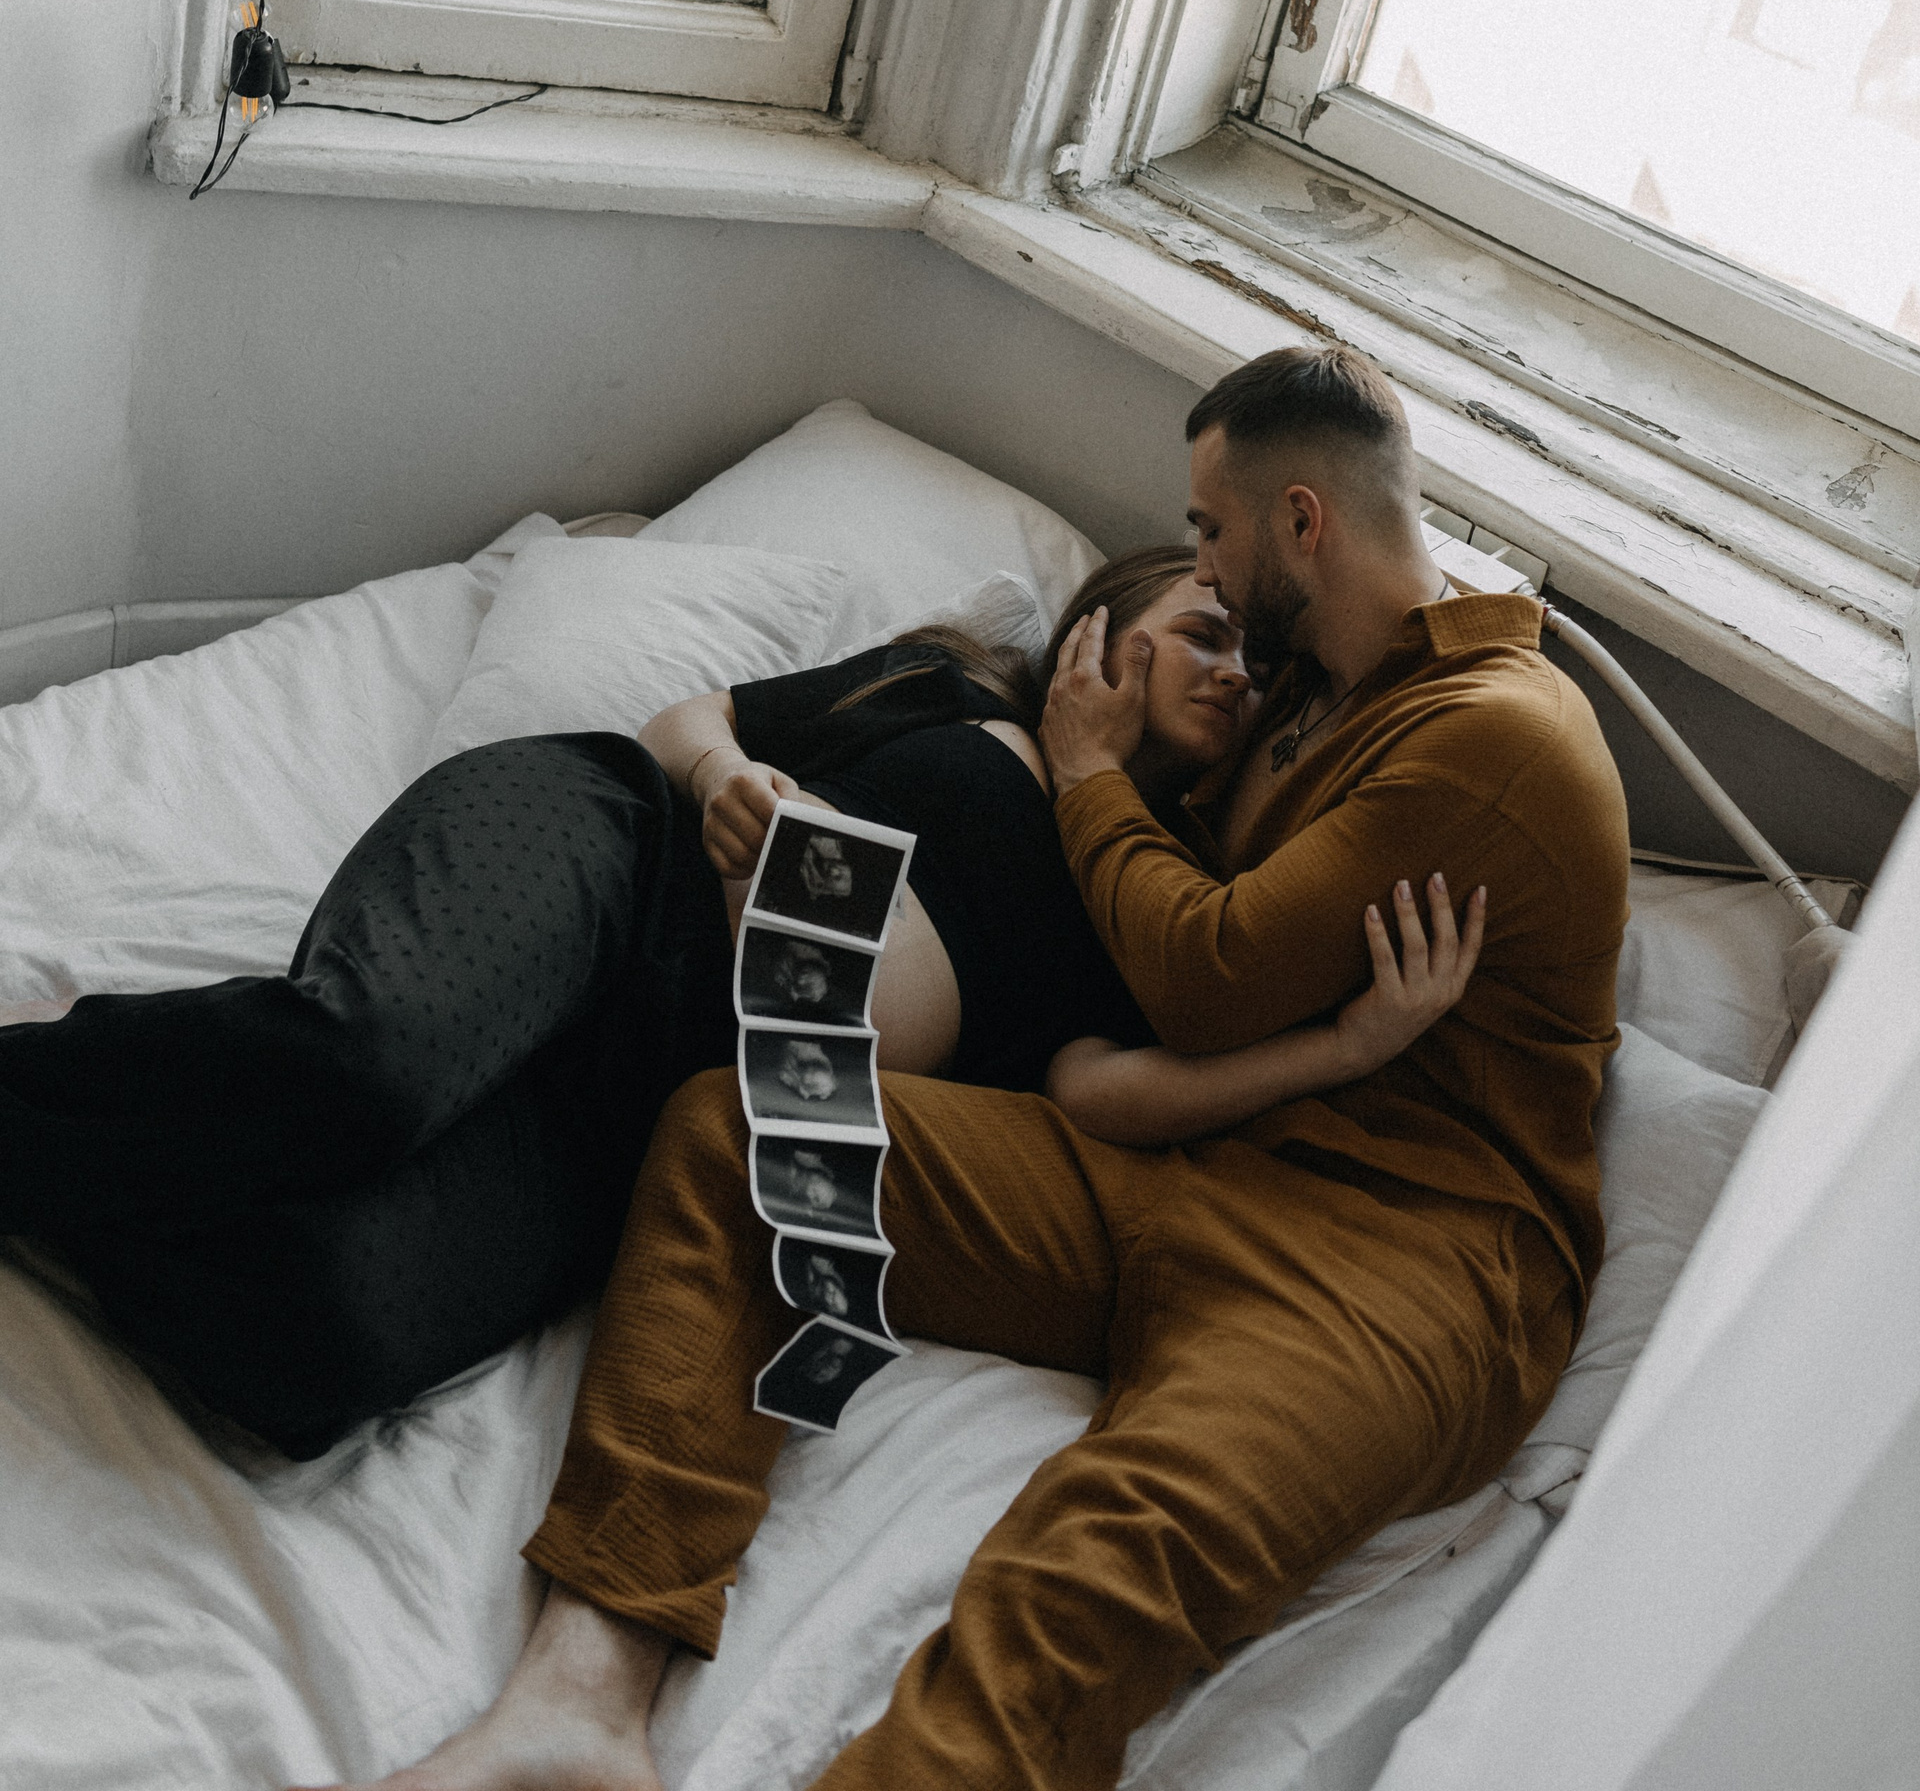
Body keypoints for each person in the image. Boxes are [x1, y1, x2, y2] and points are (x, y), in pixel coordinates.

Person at [353, 343, 1626, 1791]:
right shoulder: (1302, 701)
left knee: (1096, 1565)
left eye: (1212, 529)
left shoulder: (1495, 733)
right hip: (1189, 1154)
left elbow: (1207, 982)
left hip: (1404, 1256)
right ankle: (578, 1706)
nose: (1204, 566)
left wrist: (1084, 771)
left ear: (1301, 523)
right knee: (749, 1137)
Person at [0, 539, 1469, 1461]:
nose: (1235, 673)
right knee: (362, 1070)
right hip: (604, 867)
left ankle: (89, 1149)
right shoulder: (958, 693)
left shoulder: (1141, 916)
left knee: (324, 1343)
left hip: (630, 1119)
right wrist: (727, 779)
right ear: (1104, 623)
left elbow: (1101, 1094)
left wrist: (1344, 1046)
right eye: (1208, 628)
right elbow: (688, 719)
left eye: (1257, 672)